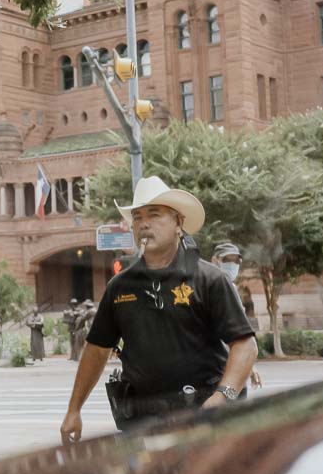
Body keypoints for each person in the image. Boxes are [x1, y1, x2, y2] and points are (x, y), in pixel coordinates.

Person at [60, 177, 259, 442]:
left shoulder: (209, 279)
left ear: (178, 223)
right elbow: (97, 349)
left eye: (154, 215)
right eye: (138, 217)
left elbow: (245, 344)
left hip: (206, 416)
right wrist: (74, 409)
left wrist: (224, 396)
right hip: (144, 423)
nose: (144, 223)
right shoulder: (120, 287)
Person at [210, 242, 263, 387]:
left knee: (235, 403)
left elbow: (240, 333)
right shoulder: (209, 287)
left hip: (235, 369)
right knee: (223, 403)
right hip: (217, 370)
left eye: (236, 261)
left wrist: (250, 365)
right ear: (215, 260)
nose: (232, 265)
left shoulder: (231, 288)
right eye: (227, 260)